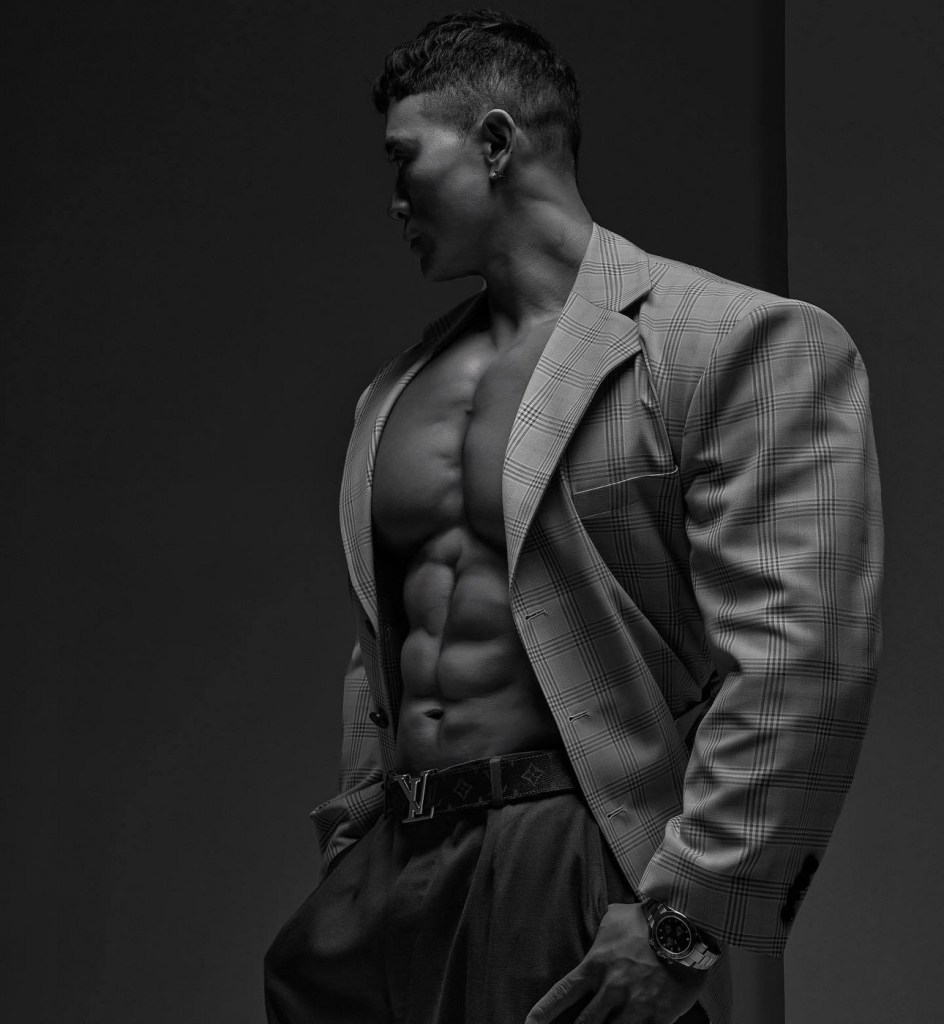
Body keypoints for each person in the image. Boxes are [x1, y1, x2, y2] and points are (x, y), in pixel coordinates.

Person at [264, 10, 883, 1024]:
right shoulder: (396, 390)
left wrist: (685, 921)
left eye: (405, 159)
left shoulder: (733, 342)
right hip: (390, 878)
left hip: (567, 850)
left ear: (494, 142)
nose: (392, 199)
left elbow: (798, 658)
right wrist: (353, 847)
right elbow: (381, 647)